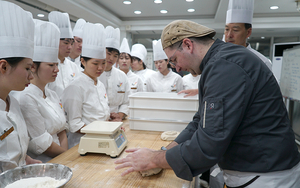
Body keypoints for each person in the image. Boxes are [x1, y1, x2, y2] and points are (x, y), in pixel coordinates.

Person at [115, 20, 300, 187]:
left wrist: (155, 159)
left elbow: (209, 145)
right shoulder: (216, 64)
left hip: (265, 176)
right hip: (256, 170)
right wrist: (165, 150)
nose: (177, 68)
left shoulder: (225, 67)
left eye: (174, 60)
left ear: (188, 44)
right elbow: (199, 121)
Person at [0, 1, 41, 173]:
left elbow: (14, 154)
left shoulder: (13, 103)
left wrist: (28, 161)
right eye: (27, 68)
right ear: (3, 67)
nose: (31, 76)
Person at [19, 20, 68, 163]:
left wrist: (67, 155)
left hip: (63, 158)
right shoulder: (26, 97)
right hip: (44, 163)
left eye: (57, 65)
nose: (57, 69)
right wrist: (67, 155)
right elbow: (42, 144)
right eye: (51, 65)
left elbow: (62, 129)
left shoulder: (52, 94)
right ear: (33, 66)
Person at [61, 23, 110, 149]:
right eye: (95, 63)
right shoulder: (75, 87)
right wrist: (101, 133)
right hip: (82, 144)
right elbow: (75, 124)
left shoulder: (100, 84)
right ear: (83, 61)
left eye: (103, 63)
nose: (100, 68)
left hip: (103, 140)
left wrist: (110, 128)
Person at [224, 0, 272, 70]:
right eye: (227, 29)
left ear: (248, 32)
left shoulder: (262, 62)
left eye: (235, 30)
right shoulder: (216, 57)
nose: (229, 35)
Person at [98, 26, 130, 121]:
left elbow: (127, 101)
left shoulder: (122, 76)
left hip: (117, 120)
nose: (111, 58)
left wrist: (119, 116)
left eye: (115, 56)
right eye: (109, 54)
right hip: (97, 120)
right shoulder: (95, 74)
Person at [47, 11, 81, 97]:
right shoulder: (46, 66)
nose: (70, 47)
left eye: (71, 43)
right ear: (54, 41)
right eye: (66, 43)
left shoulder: (73, 67)